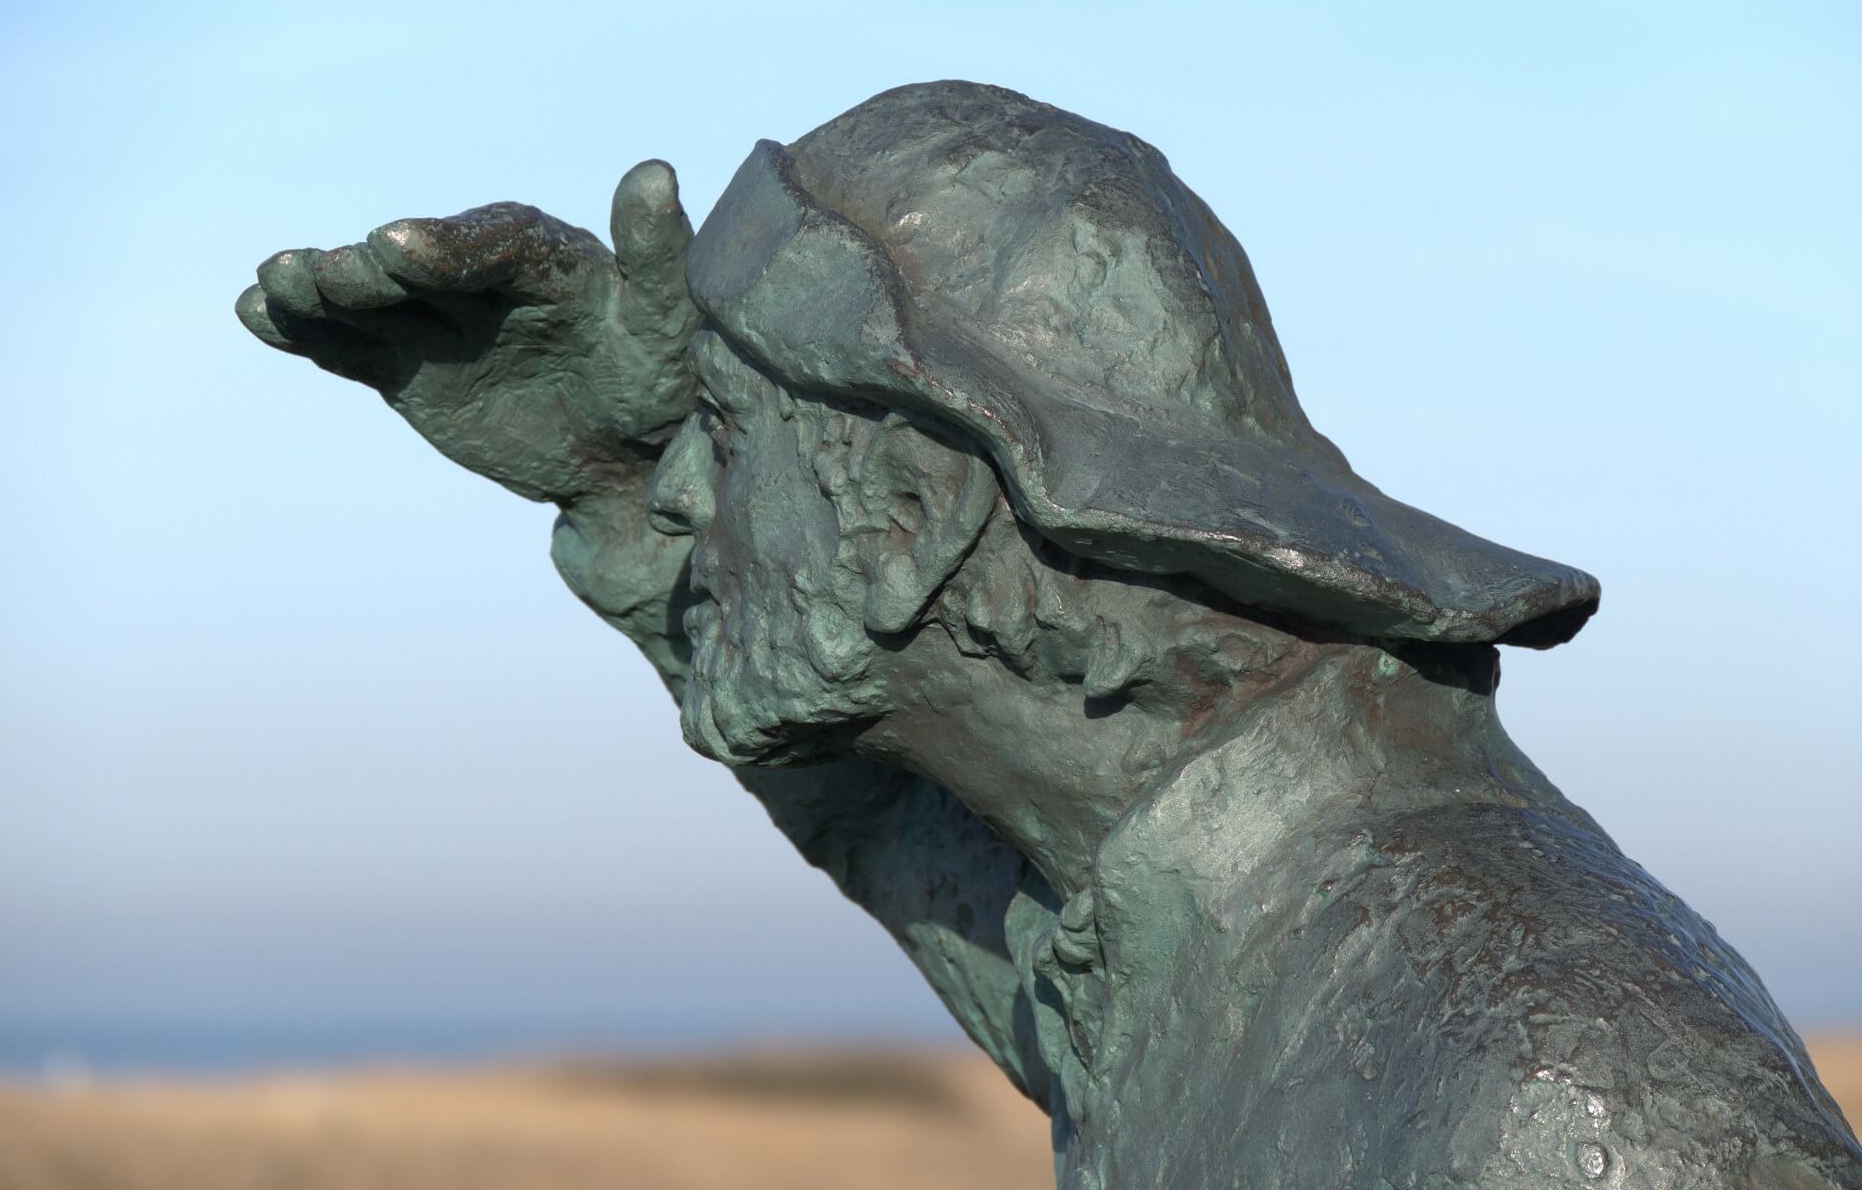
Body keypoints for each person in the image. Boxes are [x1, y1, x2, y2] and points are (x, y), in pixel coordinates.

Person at [239, 81, 1860, 1188]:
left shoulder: (1561, 1094)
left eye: (716, 443)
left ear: (907, 523)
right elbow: (908, 846)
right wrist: (613, 474)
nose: (679, 506)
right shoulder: (1183, 910)